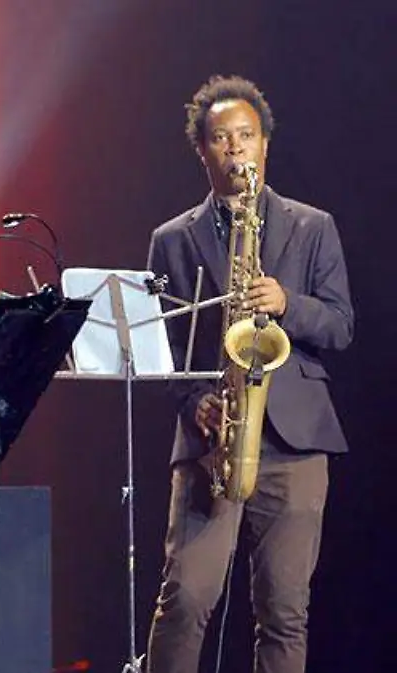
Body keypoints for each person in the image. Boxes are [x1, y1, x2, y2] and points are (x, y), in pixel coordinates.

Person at [144, 75, 353, 673]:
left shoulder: (313, 226)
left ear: (265, 144)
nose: (235, 148)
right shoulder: (172, 239)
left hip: (295, 442)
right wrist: (194, 402)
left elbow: (340, 325)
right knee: (185, 598)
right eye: (221, 138)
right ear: (202, 150)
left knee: (284, 613)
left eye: (246, 135)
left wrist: (288, 303)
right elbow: (160, 346)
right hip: (213, 437)